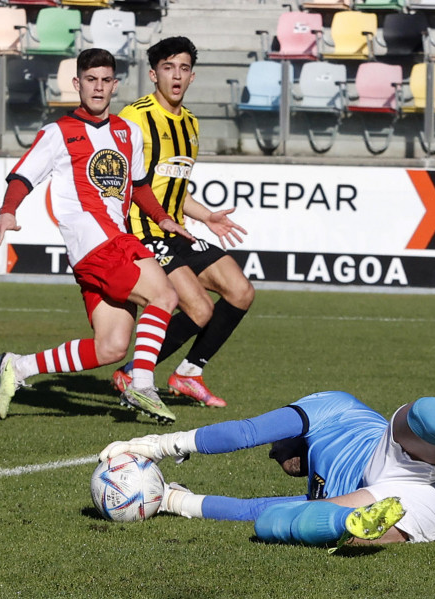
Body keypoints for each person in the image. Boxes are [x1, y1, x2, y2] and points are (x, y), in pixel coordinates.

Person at [0, 48, 194, 424]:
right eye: (91, 80)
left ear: (115, 85)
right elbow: (22, 176)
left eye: (105, 81)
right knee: (164, 295)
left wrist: (163, 219)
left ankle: (17, 367)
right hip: (95, 239)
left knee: (111, 346)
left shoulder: (127, 131)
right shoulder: (57, 133)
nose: (98, 88)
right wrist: (7, 211)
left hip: (103, 244)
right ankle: (142, 384)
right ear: (76, 83)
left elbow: (140, 186)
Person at [100, 394, 435, 549]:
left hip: (389, 455)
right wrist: (175, 501)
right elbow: (257, 507)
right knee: (273, 523)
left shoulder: (328, 408)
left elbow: (246, 431)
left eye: (277, 448)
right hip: (425, 503)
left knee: (426, 413)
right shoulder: (314, 486)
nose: (274, 455)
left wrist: (160, 445)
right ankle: (351, 524)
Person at [110, 36, 256, 409]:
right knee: (199, 309)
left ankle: (188, 373)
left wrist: (207, 216)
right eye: (168, 67)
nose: (176, 75)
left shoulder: (190, 123)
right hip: (143, 233)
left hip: (178, 230)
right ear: (153, 74)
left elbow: (174, 188)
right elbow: (120, 181)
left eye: (184, 68)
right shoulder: (133, 118)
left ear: (192, 77)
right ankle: (132, 374)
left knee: (240, 291)